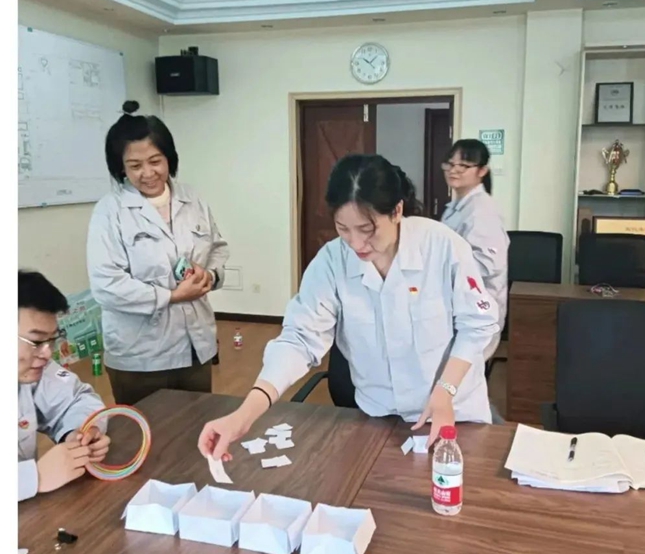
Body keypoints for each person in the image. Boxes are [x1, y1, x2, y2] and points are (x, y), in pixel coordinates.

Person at [198, 154, 500, 461]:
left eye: (367, 229)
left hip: (454, 414)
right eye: (343, 228)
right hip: (378, 417)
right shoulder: (333, 261)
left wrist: (445, 390)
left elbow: (478, 324)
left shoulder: (442, 246)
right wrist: (244, 414)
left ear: (397, 211)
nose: (355, 244)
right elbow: (300, 339)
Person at [87, 101, 229, 406]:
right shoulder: (110, 211)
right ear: (121, 168)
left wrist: (209, 275)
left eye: (155, 161)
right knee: (145, 431)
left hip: (195, 346)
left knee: (198, 425)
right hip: (140, 356)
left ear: (169, 158)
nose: (148, 173)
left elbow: (217, 248)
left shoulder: (192, 199)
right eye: (135, 166)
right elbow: (106, 285)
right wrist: (172, 296)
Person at [18, 271, 110, 502]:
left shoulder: (34, 368)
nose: (47, 353)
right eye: (36, 341)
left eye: (51, 340)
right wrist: (33, 478)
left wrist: (79, 433)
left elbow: (77, 399)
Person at [440, 139, 509, 359]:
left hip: (476, 311)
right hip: (458, 305)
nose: (454, 170)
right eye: (450, 164)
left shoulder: (482, 210)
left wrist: (443, 270)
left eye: (463, 165)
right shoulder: (457, 206)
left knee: (462, 374)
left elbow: (488, 264)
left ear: (482, 171)